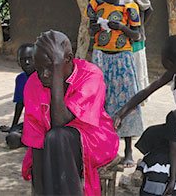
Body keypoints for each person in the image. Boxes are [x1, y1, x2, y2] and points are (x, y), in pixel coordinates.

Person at [21, 30, 119, 196]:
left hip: (94, 141)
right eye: (39, 69)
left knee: (57, 136)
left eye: (50, 67)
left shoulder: (90, 75)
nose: (43, 75)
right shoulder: (33, 83)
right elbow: (35, 138)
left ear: (68, 59)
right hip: (52, 144)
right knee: (53, 139)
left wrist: (57, 74)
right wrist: (39, 191)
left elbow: (60, 120)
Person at [86, 0, 143, 168]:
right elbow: (91, 29)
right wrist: (97, 28)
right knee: (101, 101)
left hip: (123, 58)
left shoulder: (130, 5)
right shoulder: (95, 4)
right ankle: (106, 148)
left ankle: (128, 150)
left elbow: (136, 35)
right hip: (101, 57)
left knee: (125, 101)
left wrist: (121, 27)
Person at [112, 36, 176, 133]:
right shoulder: (175, 72)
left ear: (168, 62)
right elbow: (147, 91)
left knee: (158, 133)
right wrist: (120, 114)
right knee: (151, 134)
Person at [0, 43, 35, 149]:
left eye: (30, 58)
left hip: (44, 124)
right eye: (23, 59)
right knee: (12, 139)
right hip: (29, 123)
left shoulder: (44, 78)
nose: (27, 63)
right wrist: (13, 126)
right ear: (18, 62)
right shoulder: (20, 79)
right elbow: (20, 104)